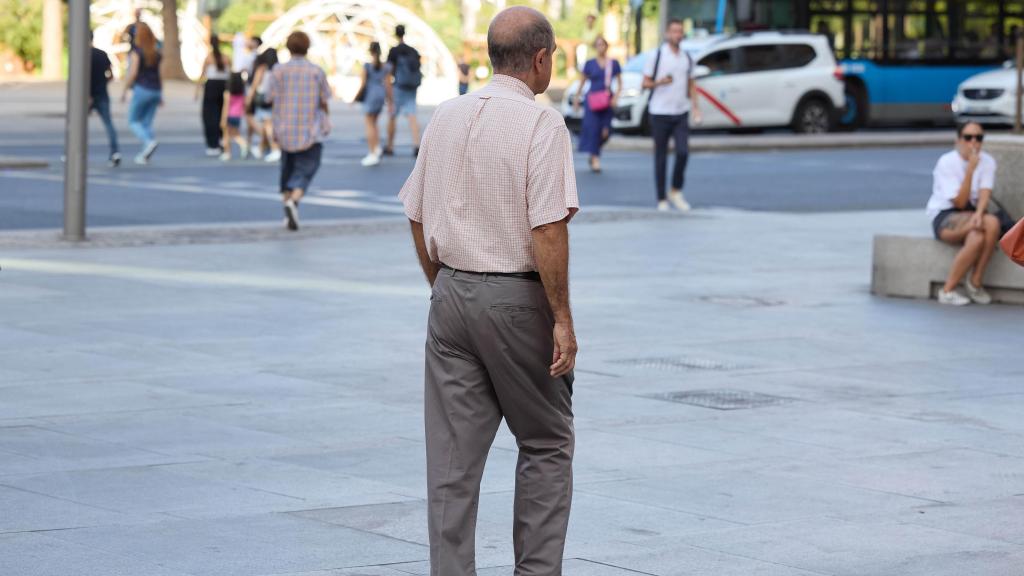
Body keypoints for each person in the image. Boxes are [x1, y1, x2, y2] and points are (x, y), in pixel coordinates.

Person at [398, 7, 579, 575]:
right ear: (541, 58)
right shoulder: (540, 124)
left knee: (451, 465)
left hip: (450, 296)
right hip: (515, 298)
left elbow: (415, 212)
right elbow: (547, 227)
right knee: (546, 443)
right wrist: (562, 318)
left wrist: (442, 282)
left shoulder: (446, 116)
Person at [926, 121, 1002, 306]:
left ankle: (965, 284)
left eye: (979, 137)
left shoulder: (988, 161)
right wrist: (970, 170)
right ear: (958, 140)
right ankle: (965, 285)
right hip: (945, 216)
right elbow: (959, 202)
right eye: (968, 137)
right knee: (991, 223)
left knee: (978, 236)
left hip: (973, 215)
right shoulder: (947, 162)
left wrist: (979, 214)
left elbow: (985, 192)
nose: (974, 142)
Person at [266, 31, 331, 231]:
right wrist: (327, 120)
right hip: (310, 130)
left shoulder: (278, 71)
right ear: (307, 47)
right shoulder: (316, 71)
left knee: (287, 171)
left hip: (284, 129)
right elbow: (325, 98)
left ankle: (288, 209)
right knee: (307, 168)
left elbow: (268, 98)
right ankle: (294, 201)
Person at [642, 18, 702, 211]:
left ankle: (676, 190)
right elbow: (645, 83)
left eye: (680, 31)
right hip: (659, 112)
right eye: (674, 31)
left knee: (683, 152)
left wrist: (696, 107)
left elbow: (691, 84)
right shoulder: (657, 55)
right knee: (661, 157)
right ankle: (661, 199)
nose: (677, 35)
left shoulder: (686, 57)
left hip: (680, 111)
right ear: (667, 34)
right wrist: (660, 82)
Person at [572, 36, 621, 173]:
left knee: (606, 132)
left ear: (607, 46)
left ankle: (594, 151)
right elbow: (582, 82)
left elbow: (620, 83)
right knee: (593, 129)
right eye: (598, 45)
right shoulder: (589, 64)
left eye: (603, 45)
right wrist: (577, 98)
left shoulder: (613, 63)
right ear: (595, 47)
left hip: (607, 100)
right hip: (592, 101)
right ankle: (595, 158)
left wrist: (616, 97)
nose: (601, 47)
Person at [121, 22, 162, 165]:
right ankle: (146, 151)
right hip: (155, 89)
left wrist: (125, 89)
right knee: (146, 123)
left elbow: (133, 72)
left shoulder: (137, 52)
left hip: (142, 88)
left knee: (133, 121)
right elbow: (159, 74)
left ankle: (148, 142)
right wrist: (161, 93)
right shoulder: (156, 52)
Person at [384, 24, 422, 157]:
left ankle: (390, 145)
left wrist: (389, 95)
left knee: (392, 116)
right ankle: (417, 145)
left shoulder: (394, 51)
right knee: (412, 116)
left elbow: (389, 72)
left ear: (396, 34)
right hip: (411, 87)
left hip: (398, 87)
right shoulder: (413, 51)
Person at [356, 42, 392, 167]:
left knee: (369, 124)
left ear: (370, 52)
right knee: (375, 123)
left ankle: (372, 153)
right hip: (380, 94)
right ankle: (377, 148)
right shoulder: (386, 67)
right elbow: (388, 86)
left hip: (370, 95)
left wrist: (355, 98)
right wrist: (391, 101)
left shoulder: (367, 66)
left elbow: (363, 84)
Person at [89, 30, 120, 168]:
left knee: (76, 125)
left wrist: (89, 94)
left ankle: (70, 151)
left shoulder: (82, 55)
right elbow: (111, 75)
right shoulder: (102, 54)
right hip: (102, 93)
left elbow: (83, 78)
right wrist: (102, 82)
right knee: (109, 124)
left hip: (87, 96)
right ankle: (115, 152)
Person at [196, 34, 229, 157]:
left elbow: (202, 74)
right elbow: (229, 73)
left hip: (211, 87)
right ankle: (221, 139)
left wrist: (196, 91)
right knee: (222, 114)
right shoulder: (226, 57)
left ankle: (213, 144)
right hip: (223, 86)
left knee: (209, 115)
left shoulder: (209, 58)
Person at [250, 48, 282, 162]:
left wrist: (249, 99)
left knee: (268, 125)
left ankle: (275, 148)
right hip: (276, 99)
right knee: (267, 124)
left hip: (264, 98)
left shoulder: (262, 69)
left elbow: (254, 86)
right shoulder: (279, 69)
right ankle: (261, 148)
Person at [219, 73, 249, 162]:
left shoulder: (228, 93)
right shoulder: (241, 93)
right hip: (238, 115)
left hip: (229, 115)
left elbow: (226, 107)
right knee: (235, 134)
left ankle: (227, 152)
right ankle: (243, 145)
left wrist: (223, 119)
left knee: (227, 135)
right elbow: (245, 104)